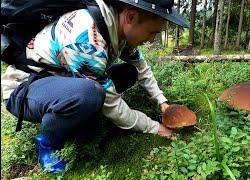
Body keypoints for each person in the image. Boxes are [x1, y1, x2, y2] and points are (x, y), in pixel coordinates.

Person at [1, 0, 188, 173]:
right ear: (131, 17)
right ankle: (48, 142)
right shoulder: (87, 41)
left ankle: (77, 108)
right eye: (152, 32)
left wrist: (163, 102)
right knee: (90, 94)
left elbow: (141, 68)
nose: (151, 41)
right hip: (23, 88)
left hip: (60, 77)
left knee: (130, 72)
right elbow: (113, 106)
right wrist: (155, 128)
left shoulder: (117, 25)